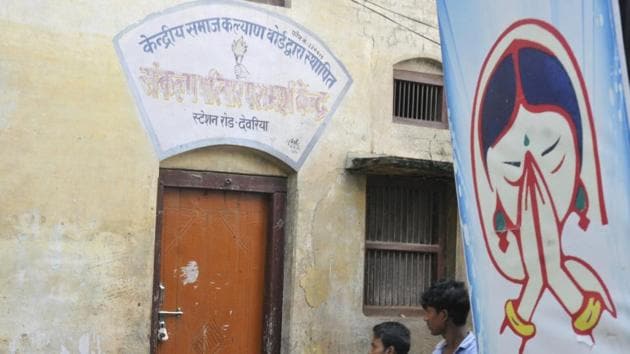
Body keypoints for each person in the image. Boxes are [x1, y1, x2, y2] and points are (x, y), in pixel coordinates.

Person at [421, 279, 477, 354]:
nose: (425, 318)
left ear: (444, 315)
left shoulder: (479, 350)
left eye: (428, 312)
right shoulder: (438, 351)